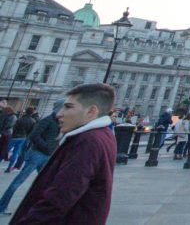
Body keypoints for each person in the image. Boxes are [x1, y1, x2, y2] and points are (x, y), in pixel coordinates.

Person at [8, 84, 117, 224]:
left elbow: (60, 198)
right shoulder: (102, 135)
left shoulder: (87, 142)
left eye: (68, 107)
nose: (59, 113)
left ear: (91, 111)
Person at [0, 100, 62, 217]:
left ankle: (39, 208)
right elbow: (34, 135)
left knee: (46, 182)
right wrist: (46, 147)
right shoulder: (47, 120)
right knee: (19, 181)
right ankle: (2, 206)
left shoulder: (59, 122)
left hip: (46, 155)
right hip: (37, 154)